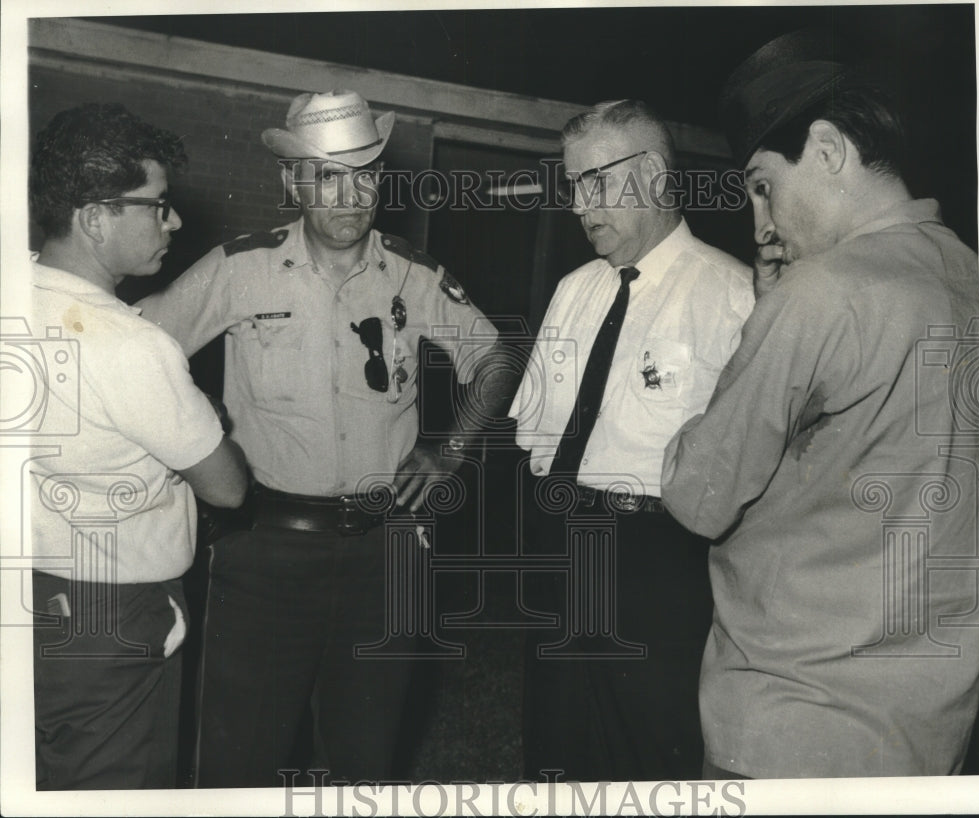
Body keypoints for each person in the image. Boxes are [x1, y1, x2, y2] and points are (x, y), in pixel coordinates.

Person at [138, 89, 514, 787]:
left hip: (387, 553)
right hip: (264, 555)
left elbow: (495, 361)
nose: (350, 197)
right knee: (238, 763)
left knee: (366, 761)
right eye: (327, 177)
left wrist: (449, 446)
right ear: (292, 183)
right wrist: (198, 435)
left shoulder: (414, 273)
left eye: (365, 175)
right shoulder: (239, 268)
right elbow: (142, 350)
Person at [658, 31, 979, 778]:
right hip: (928, 738)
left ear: (830, 151)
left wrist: (753, 340)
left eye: (765, 185)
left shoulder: (819, 295)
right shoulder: (971, 279)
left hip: (789, 727)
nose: (760, 225)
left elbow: (698, 494)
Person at [509, 99, 754, 781]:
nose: (579, 204)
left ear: (650, 175)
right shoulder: (572, 291)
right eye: (572, 186)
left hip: (662, 565)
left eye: (595, 181)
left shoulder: (734, 296)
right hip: (561, 547)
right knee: (553, 752)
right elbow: (536, 437)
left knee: (647, 757)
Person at [27, 103, 248, 790]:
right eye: (156, 205)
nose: (173, 221)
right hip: (110, 620)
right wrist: (214, 416)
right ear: (95, 219)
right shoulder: (133, 346)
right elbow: (227, 488)